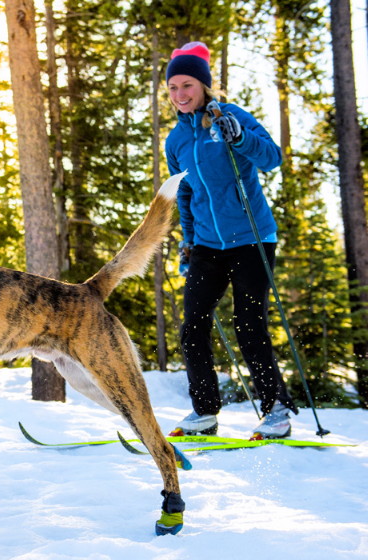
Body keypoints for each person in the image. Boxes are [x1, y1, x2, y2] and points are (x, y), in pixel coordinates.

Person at [164, 42, 298, 439]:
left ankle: (276, 410)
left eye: (187, 85)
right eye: (172, 88)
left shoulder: (231, 116)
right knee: (193, 326)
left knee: (249, 323)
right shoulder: (176, 141)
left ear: (204, 86)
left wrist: (239, 138)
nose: (180, 94)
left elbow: (271, 157)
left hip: (251, 238)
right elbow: (184, 195)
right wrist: (188, 243)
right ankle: (204, 412)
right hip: (206, 244)